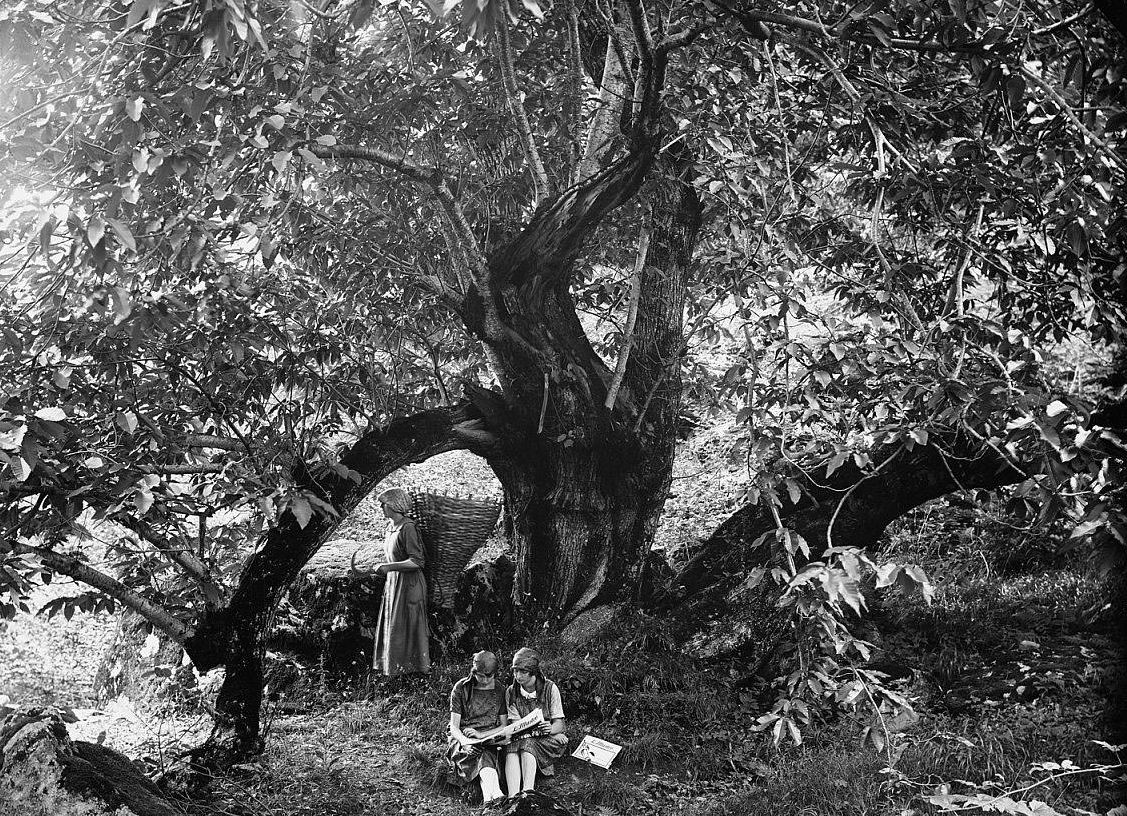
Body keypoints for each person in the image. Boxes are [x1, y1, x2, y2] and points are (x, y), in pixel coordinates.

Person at [371, 487, 430, 676]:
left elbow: (417, 561)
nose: (381, 507)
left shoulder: (408, 528)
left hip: (410, 584)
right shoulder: (391, 527)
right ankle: (394, 670)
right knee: (395, 625)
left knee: (408, 627)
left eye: (384, 503)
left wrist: (389, 567)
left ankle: (414, 672)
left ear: (394, 505)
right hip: (395, 582)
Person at [447, 651, 508, 804]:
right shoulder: (461, 688)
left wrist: (483, 735)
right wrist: (465, 742)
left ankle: (489, 798)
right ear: (474, 672)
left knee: (486, 750)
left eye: (490, 676)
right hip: (463, 736)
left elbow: (504, 725)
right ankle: (495, 795)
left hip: (488, 735)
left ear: (495, 674)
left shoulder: (500, 689)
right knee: (479, 752)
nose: (485, 680)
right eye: (481, 676)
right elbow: (454, 727)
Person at [504, 648, 568, 793]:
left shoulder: (550, 688)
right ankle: (513, 796)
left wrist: (551, 730)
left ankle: (528, 791)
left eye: (522, 672)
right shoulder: (511, 692)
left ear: (533, 671)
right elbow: (516, 724)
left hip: (546, 741)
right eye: (515, 671)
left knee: (527, 743)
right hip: (522, 738)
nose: (517, 676)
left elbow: (560, 724)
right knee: (513, 746)